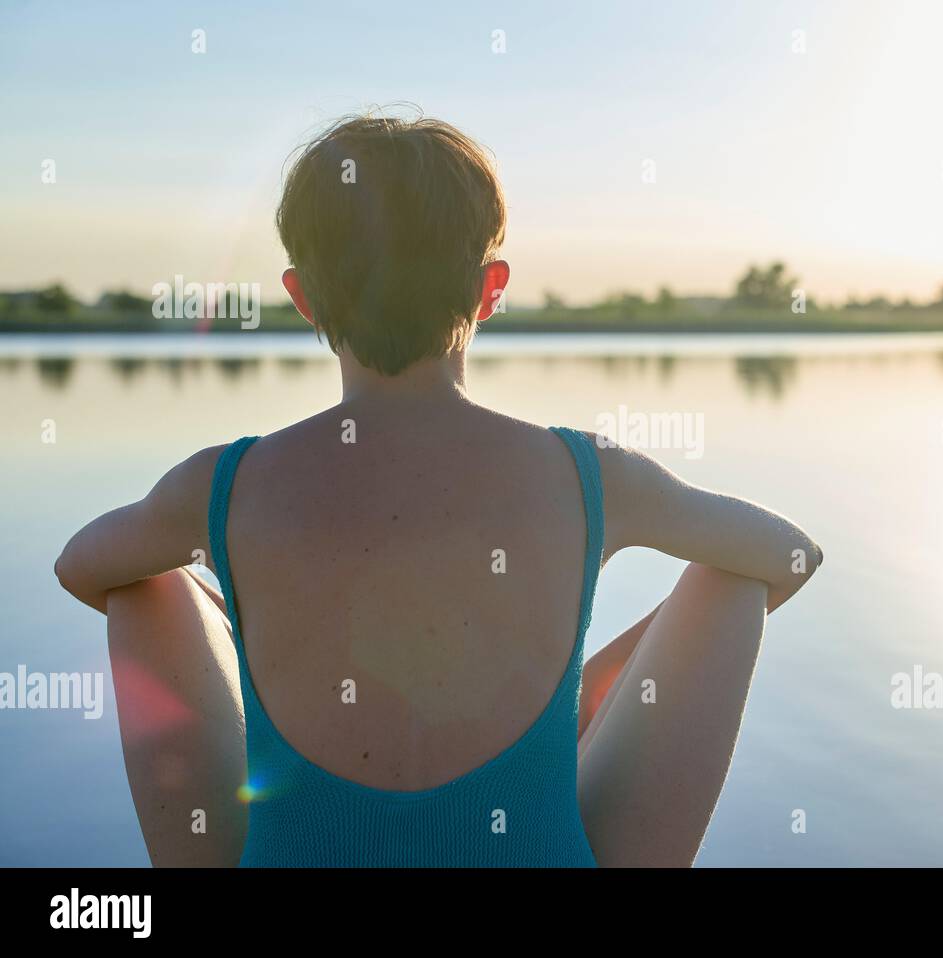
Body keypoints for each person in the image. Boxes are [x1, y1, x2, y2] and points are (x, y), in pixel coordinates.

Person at [55, 113, 822, 867]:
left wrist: (233, 599)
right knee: (731, 576)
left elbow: (79, 566)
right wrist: (589, 690)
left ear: (304, 297)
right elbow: (791, 554)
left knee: (153, 584)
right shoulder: (593, 475)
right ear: (491, 289)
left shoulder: (221, 487)